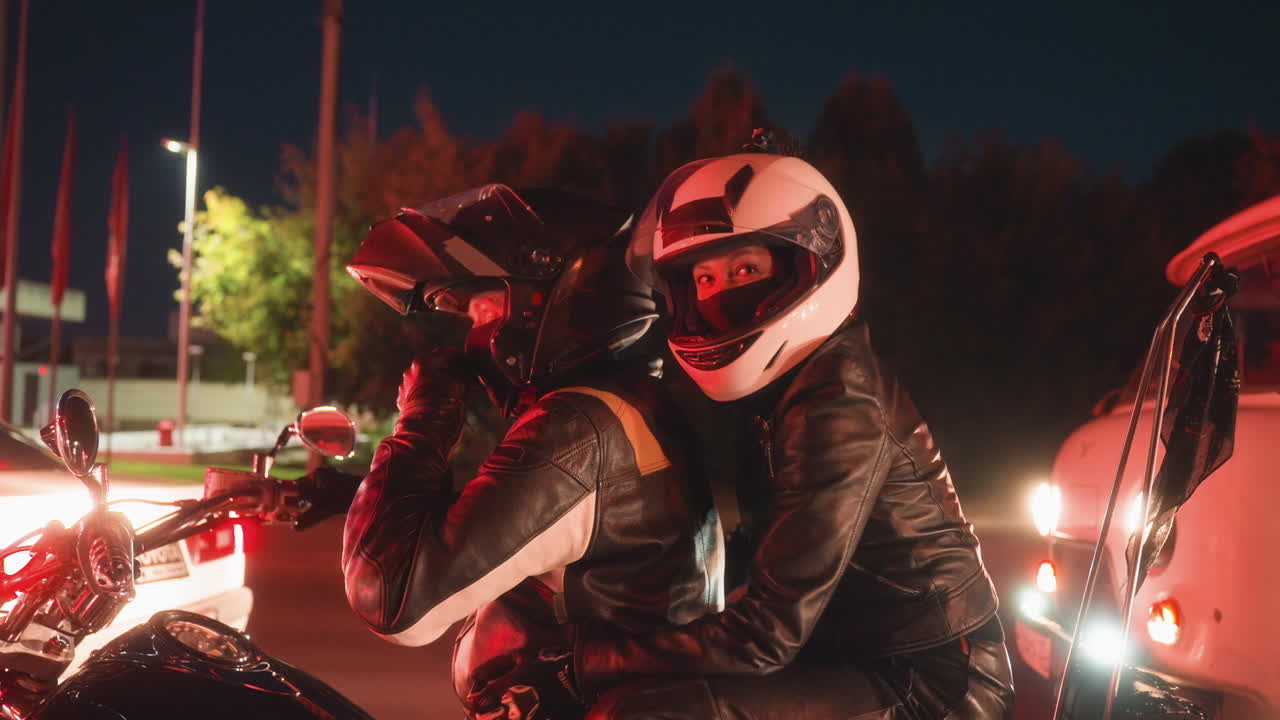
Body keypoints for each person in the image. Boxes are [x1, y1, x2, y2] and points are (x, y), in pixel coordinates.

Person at [491, 147, 1016, 718]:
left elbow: (768, 633)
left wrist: (583, 660)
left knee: (641, 713)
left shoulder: (839, 397)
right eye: (703, 278)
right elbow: (764, 561)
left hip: (930, 681)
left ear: (804, 264)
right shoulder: (786, 391)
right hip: (848, 653)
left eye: (744, 270)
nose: (719, 297)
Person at [339, 184, 725, 720]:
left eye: (482, 311)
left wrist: (420, 425)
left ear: (554, 297)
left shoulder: (579, 427)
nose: (473, 340)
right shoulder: (632, 410)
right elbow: (495, 520)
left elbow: (394, 597)